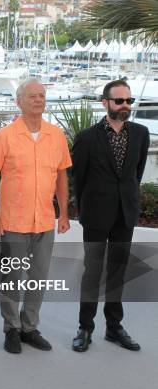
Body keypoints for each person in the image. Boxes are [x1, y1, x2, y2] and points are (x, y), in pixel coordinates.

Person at [0, 78, 71, 354]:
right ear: (19, 101)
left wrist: (64, 213)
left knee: (39, 277)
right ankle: (11, 328)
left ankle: (30, 327)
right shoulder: (4, 137)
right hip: (13, 220)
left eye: (42, 95)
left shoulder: (56, 135)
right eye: (32, 96)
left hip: (45, 219)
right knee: (11, 277)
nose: (38, 100)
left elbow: (61, 176)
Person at [71, 79, 150, 352]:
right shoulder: (86, 138)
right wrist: (86, 208)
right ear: (105, 103)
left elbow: (135, 175)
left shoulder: (141, 134)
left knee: (118, 272)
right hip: (95, 215)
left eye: (129, 101)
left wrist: (125, 200)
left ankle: (114, 328)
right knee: (92, 272)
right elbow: (78, 180)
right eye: (119, 101)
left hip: (125, 214)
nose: (125, 105)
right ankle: (85, 327)